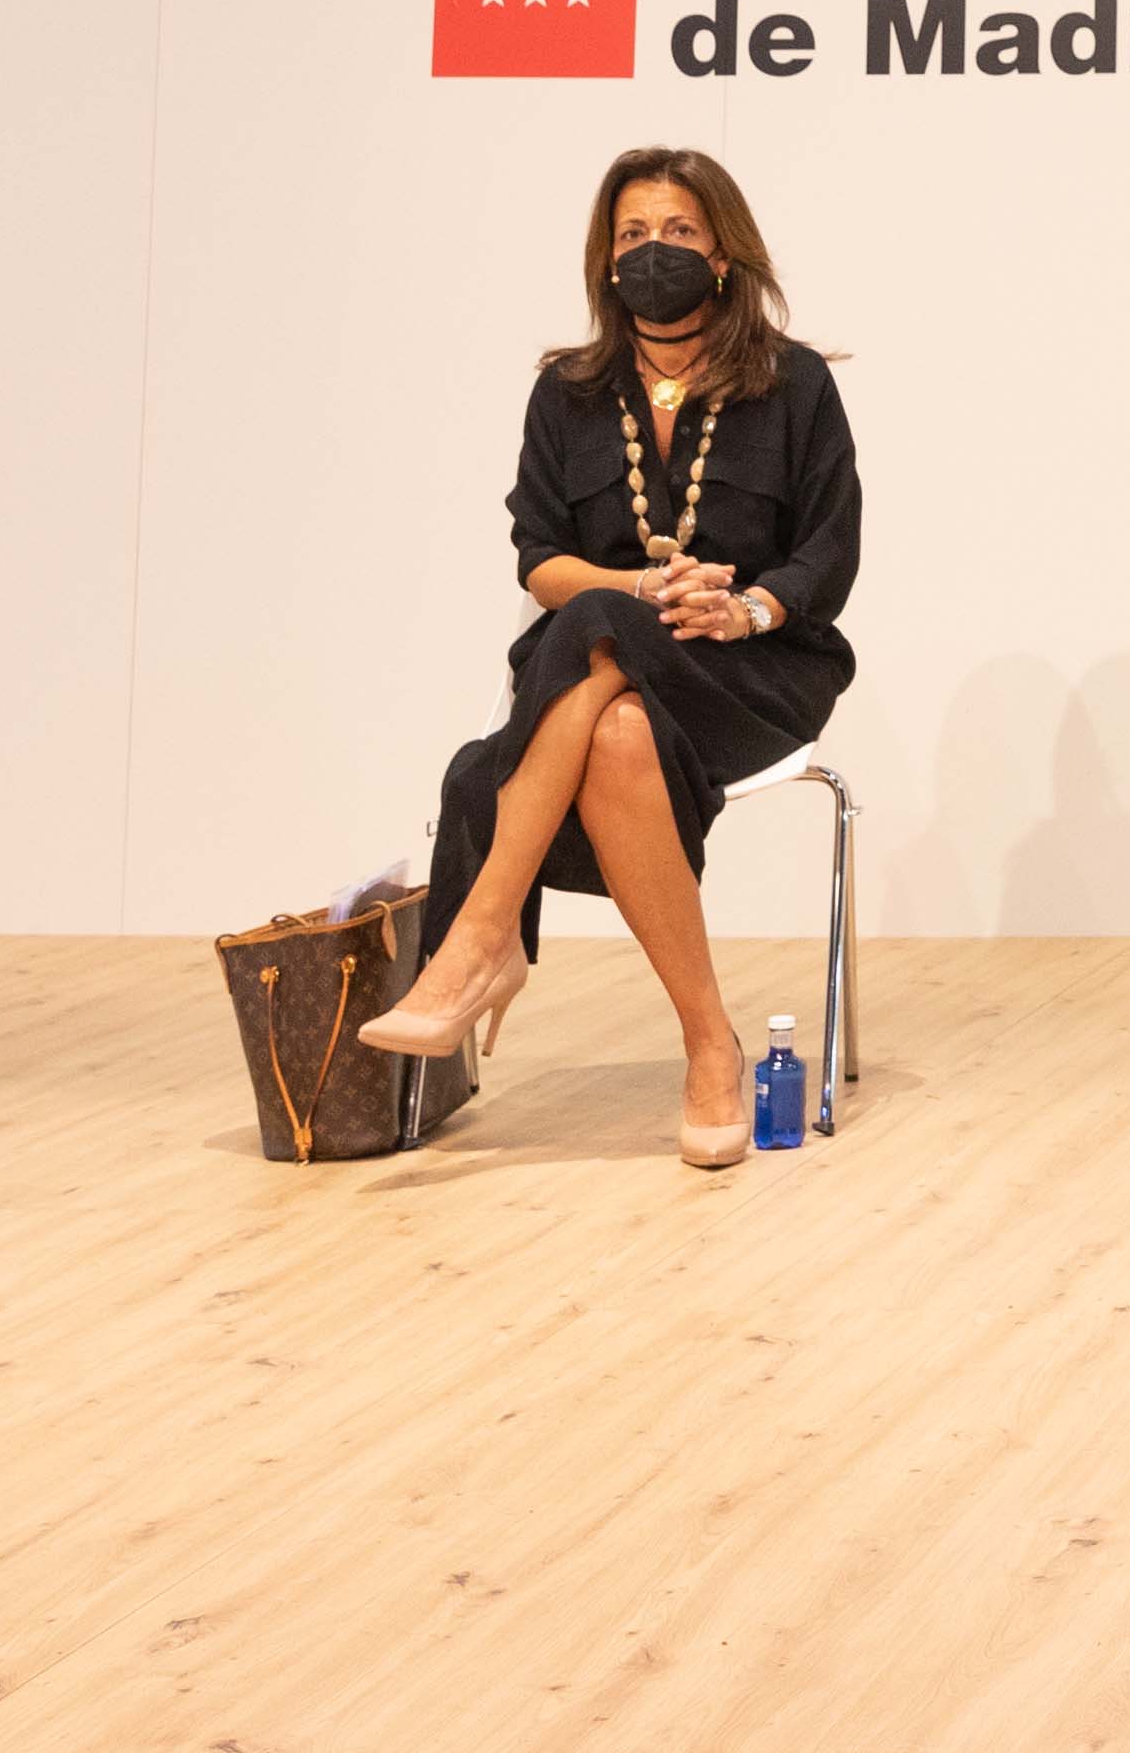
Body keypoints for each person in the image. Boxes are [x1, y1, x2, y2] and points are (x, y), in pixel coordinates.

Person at [361, 146, 858, 1164]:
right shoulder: (568, 392)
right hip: (602, 673)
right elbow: (539, 560)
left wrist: (741, 610)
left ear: (722, 252)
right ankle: (710, 1045)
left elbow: (829, 551)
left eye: (677, 231)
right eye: (632, 234)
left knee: (594, 635)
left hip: (749, 674)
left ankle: (483, 934)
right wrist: (639, 590)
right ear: (604, 257)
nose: (652, 250)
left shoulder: (794, 383)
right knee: (617, 708)